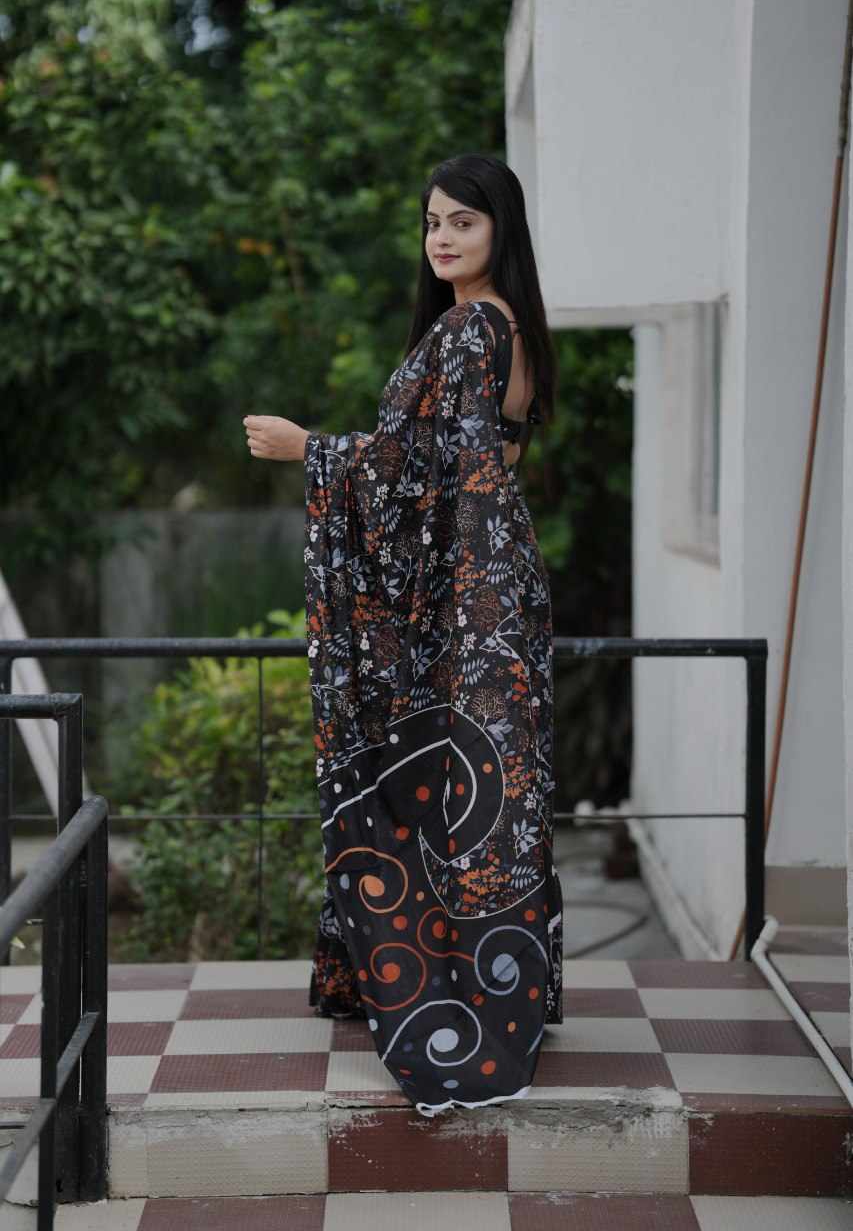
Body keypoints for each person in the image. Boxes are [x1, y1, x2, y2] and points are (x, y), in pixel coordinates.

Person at [243, 153, 563, 1117]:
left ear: (501, 228)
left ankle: (460, 1008)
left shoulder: (471, 328)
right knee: (489, 788)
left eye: (463, 221)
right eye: (431, 222)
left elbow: (428, 464)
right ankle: (498, 985)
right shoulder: (511, 327)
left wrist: (312, 450)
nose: (441, 239)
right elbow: (484, 462)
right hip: (492, 584)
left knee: (442, 780)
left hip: (466, 599)